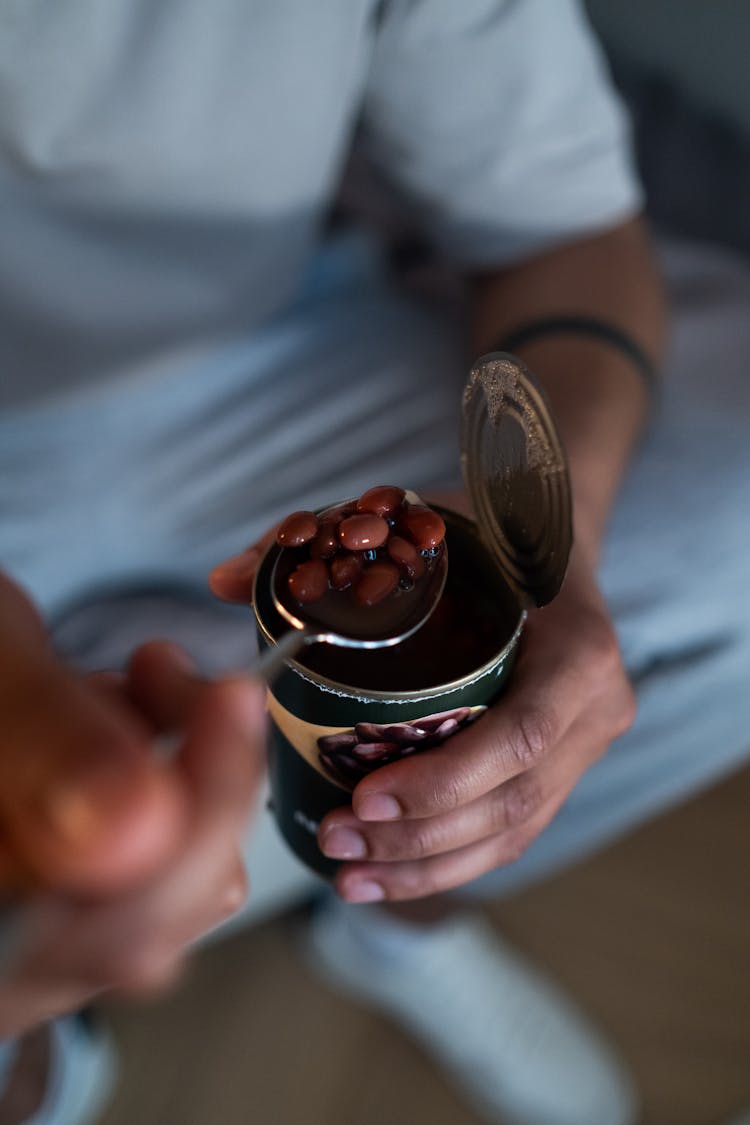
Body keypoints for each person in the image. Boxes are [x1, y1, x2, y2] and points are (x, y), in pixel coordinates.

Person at [2, 2, 749, 1123]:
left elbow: (567, 239)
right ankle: (43, 1052)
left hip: (265, 352)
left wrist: (558, 537)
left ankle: (397, 914)